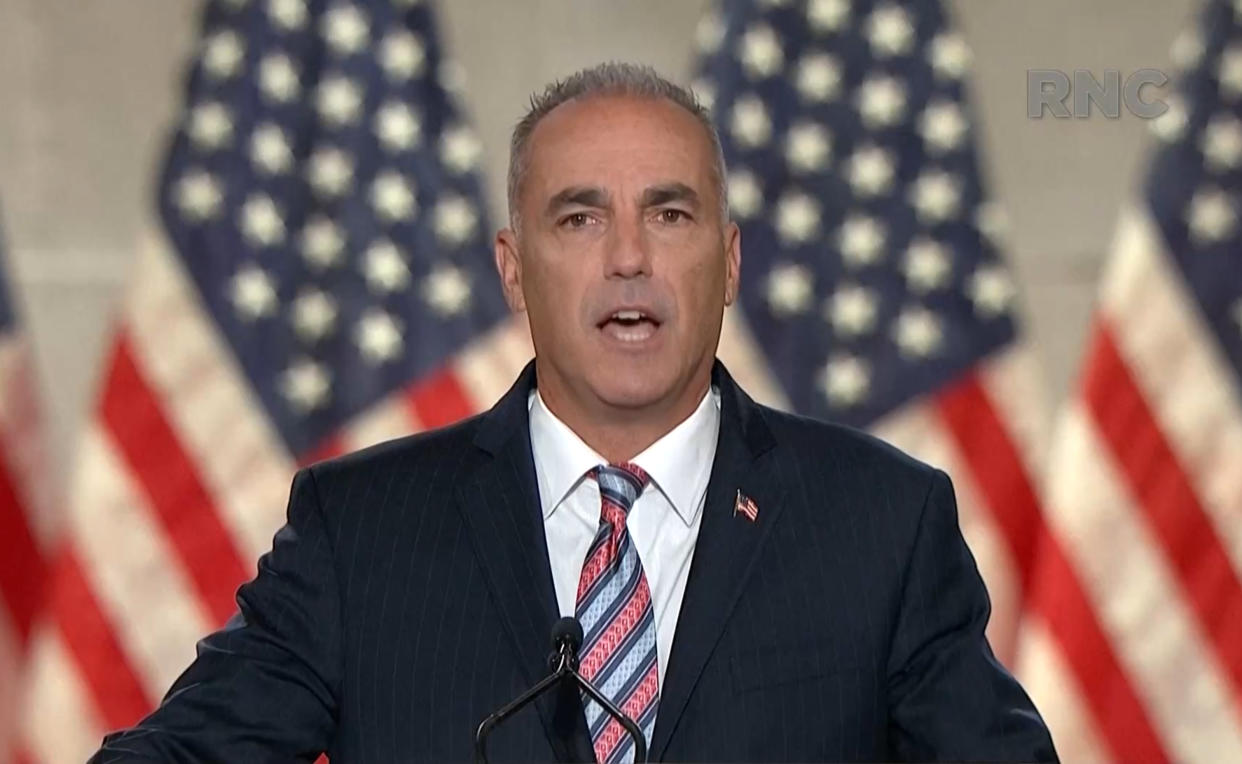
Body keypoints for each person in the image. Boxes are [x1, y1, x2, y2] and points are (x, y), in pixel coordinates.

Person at [91, 62, 1056, 763]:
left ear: (729, 263)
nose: (628, 257)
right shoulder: (361, 534)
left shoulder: (879, 524)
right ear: (513, 268)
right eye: (580, 217)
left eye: (670, 215)